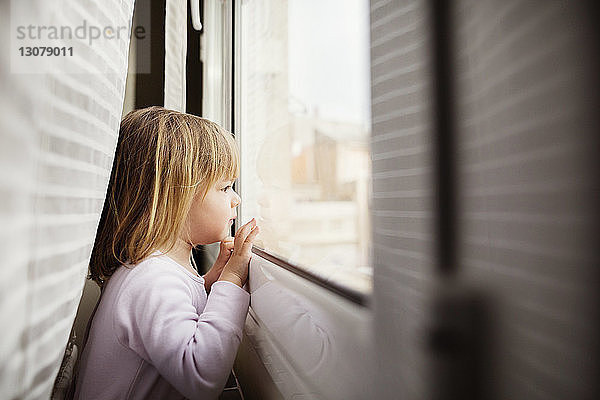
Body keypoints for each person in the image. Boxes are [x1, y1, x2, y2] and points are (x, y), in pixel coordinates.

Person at [73, 106, 259, 399]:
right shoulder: (152, 279)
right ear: (176, 196)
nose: (236, 198)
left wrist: (210, 284)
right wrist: (232, 279)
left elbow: (178, 313)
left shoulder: (152, 269)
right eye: (225, 187)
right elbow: (200, 374)